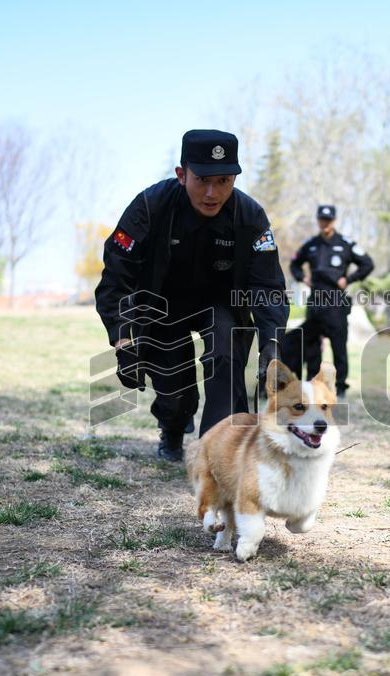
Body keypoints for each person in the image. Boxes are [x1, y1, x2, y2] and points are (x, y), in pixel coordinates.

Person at [95, 129, 288, 462]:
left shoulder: (250, 217)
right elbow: (117, 276)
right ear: (182, 175)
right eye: (202, 180)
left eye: (224, 181)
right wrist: (123, 338)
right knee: (175, 394)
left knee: (227, 354)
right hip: (163, 307)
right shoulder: (149, 207)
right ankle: (173, 427)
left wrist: (271, 344)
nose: (212, 193)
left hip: (221, 305)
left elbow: (268, 288)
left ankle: (215, 455)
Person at [286, 205, 374, 398]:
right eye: (322, 219)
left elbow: (367, 264)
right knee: (312, 346)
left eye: (328, 220)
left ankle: (340, 386)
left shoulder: (346, 244)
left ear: (334, 221)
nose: (325, 223)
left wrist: (349, 280)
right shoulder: (311, 244)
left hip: (336, 302)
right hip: (316, 301)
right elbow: (294, 264)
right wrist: (303, 278)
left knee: (338, 346)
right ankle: (311, 384)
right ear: (318, 220)